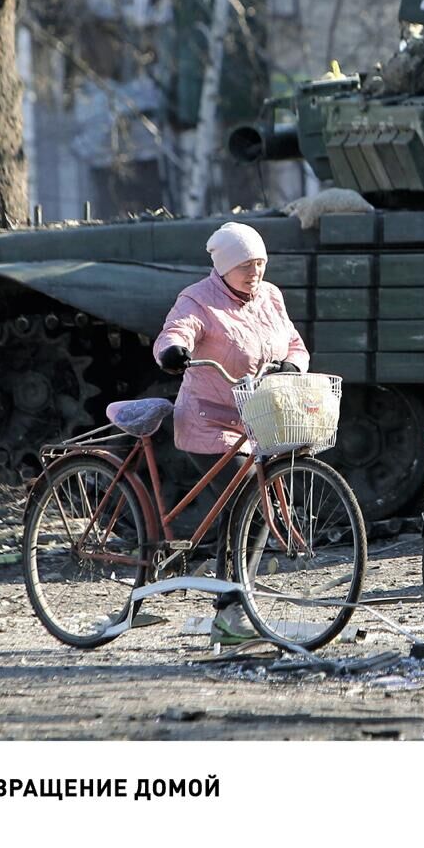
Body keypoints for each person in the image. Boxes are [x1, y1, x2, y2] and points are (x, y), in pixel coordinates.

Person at [153, 221, 309, 642]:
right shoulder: (198, 300)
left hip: (256, 416)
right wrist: (174, 352)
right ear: (223, 266)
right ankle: (231, 610)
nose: (254, 271)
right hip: (208, 419)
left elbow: (293, 342)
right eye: (245, 264)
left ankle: (239, 599)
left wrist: (293, 366)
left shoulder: (271, 297)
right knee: (249, 501)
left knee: (253, 507)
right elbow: (175, 331)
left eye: (259, 262)